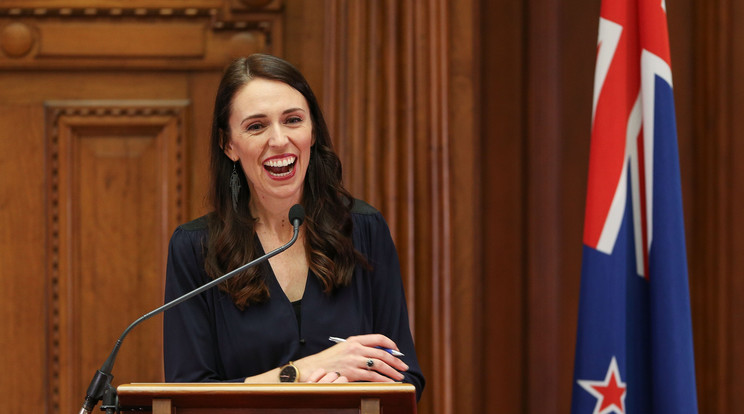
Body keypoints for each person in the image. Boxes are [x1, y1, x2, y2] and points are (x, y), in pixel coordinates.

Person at [163, 53, 425, 400]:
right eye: (256, 126)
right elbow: (186, 396)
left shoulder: (364, 230)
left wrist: (356, 380)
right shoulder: (194, 248)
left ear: (312, 130)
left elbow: (406, 380)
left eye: (293, 120)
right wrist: (301, 372)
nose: (279, 140)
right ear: (229, 145)